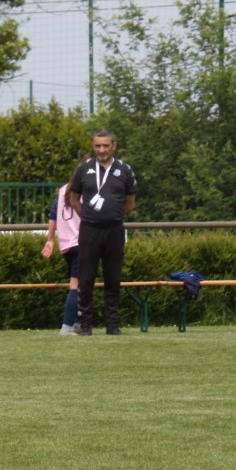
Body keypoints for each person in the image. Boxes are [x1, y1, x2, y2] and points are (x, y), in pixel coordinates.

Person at [67, 130, 137, 336]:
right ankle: (85, 325)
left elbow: (130, 204)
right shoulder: (84, 169)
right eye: (97, 146)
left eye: (105, 145)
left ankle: (113, 325)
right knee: (86, 278)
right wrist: (88, 215)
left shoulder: (124, 169)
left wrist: (112, 215)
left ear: (113, 146)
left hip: (114, 230)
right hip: (89, 230)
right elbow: (73, 198)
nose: (101, 150)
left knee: (113, 278)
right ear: (93, 146)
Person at [42, 174, 83, 336]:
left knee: (80, 284)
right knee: (75, 285)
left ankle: (78, 325)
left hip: (66, 245)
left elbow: (53, 216)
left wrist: (50, 239)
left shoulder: (63, 189)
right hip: (80, 243)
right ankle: (67, 327)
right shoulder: (86, 189)